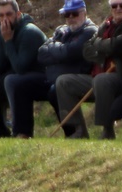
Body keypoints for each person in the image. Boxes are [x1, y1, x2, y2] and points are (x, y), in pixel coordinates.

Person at [56, 0, 122, 139]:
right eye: (114, 6)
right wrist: (103, 52)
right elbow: (87, 49)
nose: (118, 8)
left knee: (102, 80)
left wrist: (101, 46)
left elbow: (116, 45)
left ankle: (107, 130)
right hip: (99, 74)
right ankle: (77, 130)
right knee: (63, 82)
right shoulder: (107, 24)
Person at [0, 0, 47, 138]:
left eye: (8, 14)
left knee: (12, 80)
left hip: (43, 77)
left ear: (18, 14)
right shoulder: (3, 31)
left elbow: (20, 67)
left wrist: (8, 41)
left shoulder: (29, 32)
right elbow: (1, 62)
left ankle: (21, 132)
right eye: (1, 16)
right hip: (21, 75)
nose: (5, 19)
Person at [38, 0, 99, 137]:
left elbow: (70, 52)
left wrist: (55, 50)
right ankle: (72, 132)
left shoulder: (90, 31)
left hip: (86, 79)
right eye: (67, 15)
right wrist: (61, 53)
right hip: (63, 78)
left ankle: (77, 132)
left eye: (74, 14)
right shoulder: (62, 30)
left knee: (59, 86)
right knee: (51, 90)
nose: (70, 18)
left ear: (84, 13)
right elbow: (41, 53)